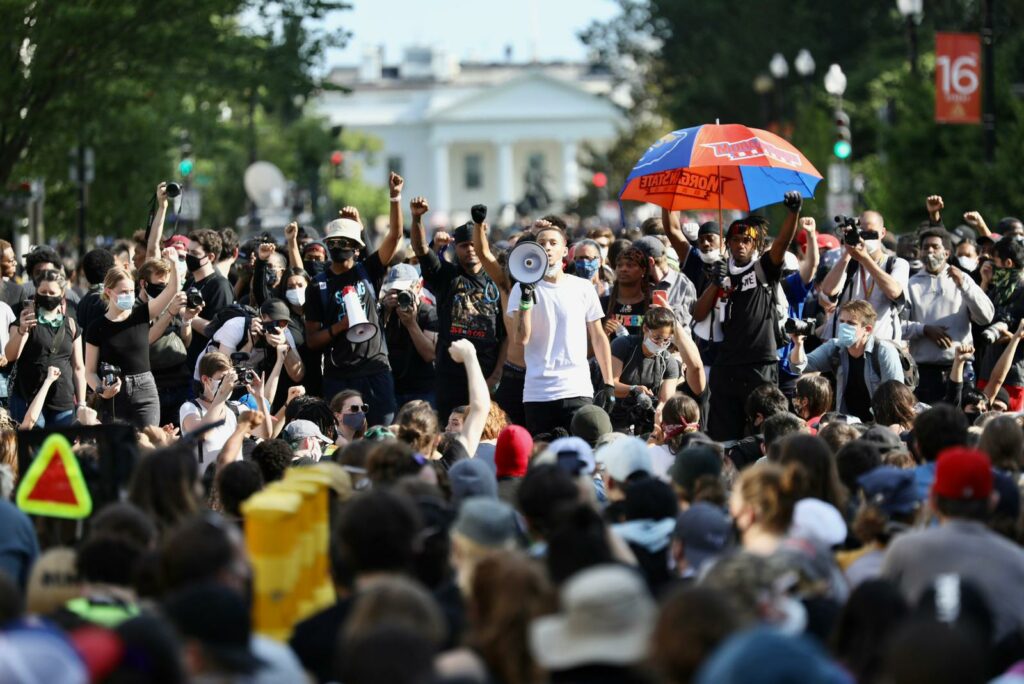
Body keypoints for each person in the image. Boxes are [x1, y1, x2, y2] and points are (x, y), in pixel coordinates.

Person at [692, 191, 803, 441]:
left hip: (759, 363)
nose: (740, 244)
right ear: (727, 243)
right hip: (726, 363)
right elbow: (698, 314)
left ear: (755, 245)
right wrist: (714, 283)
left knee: (765, 431)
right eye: (735, 239)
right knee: (722, 433)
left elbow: (782, 245)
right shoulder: (721, 271)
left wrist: (793, 213)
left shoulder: (763, 269)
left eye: (746, 240)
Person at [883, 447, 1024, 641]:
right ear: (992, 502)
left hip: (917, 665)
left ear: (932, 501)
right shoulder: (1016, 560)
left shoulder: (903, 549)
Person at [304, 174, 404, 428]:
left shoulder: (368, 270)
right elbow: (313, 340)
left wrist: (394, 197)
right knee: (344, 436)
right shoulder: (318, 285)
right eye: (334, 242)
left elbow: (395, 236)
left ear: (357, 248)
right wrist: (340, 326)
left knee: (382, 432)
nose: (339, 246)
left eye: (345, 242)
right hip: (339, 374)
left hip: (376, 369)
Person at [508, 221, 615, 434]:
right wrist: (526, 300)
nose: (547, 247)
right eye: (541, 243)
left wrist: (609, 383)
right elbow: (521, 338)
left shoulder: (582, 287)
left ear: (565, 250)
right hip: (538, 393)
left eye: (553, 242)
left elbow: (598, 337)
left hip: (577, 389)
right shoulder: (521, 289)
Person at [410, 197, 505, 424]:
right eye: (464, 245)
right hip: (449, 377)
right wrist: (416, 218)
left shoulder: (499, 280)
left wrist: (496, 376)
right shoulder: (446, 276)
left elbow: (506, 336)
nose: (471, 250)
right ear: (456, 247)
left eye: (475, 244)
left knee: (487, 432)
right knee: (449, 433)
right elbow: (421, 249)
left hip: (487, 376)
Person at [84, 242, 184, 428]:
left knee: (148, 444)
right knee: (119, 450)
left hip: (145, 389)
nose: (128, 296)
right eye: (123, 292)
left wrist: (173, 263)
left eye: (131, 291)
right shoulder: (97, 327)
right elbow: (89, 371)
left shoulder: (141, 314)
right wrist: (101, 390)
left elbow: (171, 290)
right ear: (108, 292)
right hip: (114, 394)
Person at [903, 228, 994, 403]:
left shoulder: (963, 279)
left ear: (946, 253)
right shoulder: (911, 284)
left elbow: (986, 317)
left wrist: (963, 285)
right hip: (924, 372)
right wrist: (924, 329)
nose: (930, 251)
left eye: (935, 247)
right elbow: (898, 326)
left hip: (960, 367)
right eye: (926, 247)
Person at [790, 299, 903, 423]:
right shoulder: (835, 347)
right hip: (847, 424)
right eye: (842, 321)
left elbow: (895, 398)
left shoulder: (884, 351)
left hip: (878, 423)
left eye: (851, 323)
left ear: (868, 329)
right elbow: (799, 366)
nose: (844, 326)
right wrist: (798, 345)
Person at [5, 269, 86, 427]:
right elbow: (10, 356)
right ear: (36, 292)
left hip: (62, 400)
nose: (47, 296)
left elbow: (78, 367)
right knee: (33, 449)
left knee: (61, 450)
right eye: (43, 292)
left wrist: (81, 402)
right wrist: (22, 330)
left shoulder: (70, 324)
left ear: (62, 294)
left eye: (52, 292)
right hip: (30, 399)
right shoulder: (26, 319)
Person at [819, 210, 909, 342]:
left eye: (870, 233)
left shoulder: (896, 263)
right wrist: (847, 253)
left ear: (882, 233)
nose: (864, 238)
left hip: (882, 348)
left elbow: (895, 292)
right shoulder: (848, 264)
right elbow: (827, 291)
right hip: (847, 347)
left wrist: (865, 258)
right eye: (861, 233)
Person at [180, 351, 269, 473]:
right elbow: (201, 435)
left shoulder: (235, 408)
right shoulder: (190, 408)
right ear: (205, 379)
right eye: (222, 379)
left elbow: (265, 433)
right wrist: (221, 394)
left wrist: (260, 398)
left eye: (230, 378)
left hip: (233, 482)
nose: (229, 383)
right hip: (206, 484)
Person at [138, 257, 200, 427]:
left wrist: (187, 321)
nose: (164, 291)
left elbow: (185, 342)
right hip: (154, 387)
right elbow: (146, 339)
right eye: (159, 285)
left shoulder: (169, 306)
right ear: (144, 283)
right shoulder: (136, 309)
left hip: (179, 383)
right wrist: (170, 313)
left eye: (167, 286)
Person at [609, 306, 680, 433]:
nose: (660, 344)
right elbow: (611, 385)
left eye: (666, 340)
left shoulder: (669, 362)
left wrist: (658, 412)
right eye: (657, 338)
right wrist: (633, 389)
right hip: (614, 413)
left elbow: (665, 401)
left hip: (645, 421)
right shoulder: (623, 345)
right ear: (645, 329)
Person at [379, 263, 438, 408]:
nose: (399, 296)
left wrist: (411, 323)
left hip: (422, 390)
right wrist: (385, 312)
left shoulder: (429, 313)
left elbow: (430, 355)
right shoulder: (386, 311)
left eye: (403, 290)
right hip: (392, 387)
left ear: (417, 287)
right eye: (395, 291)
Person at [977, 236, 1024, 411]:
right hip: (988, 368)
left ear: (1008, 263)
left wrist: (1013, 338)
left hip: (1013, 376)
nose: (991, 265)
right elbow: (979, 316)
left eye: (994, 261)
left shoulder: (1022, 289)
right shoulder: (998, 288)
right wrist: (984, 282)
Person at [601, 245, 651, 339]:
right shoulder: (603, 304)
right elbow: (589, 349)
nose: (623, 269)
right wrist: (602, 333)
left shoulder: (652, 305)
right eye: (619, 265)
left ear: (643, 270)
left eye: (630, 265)